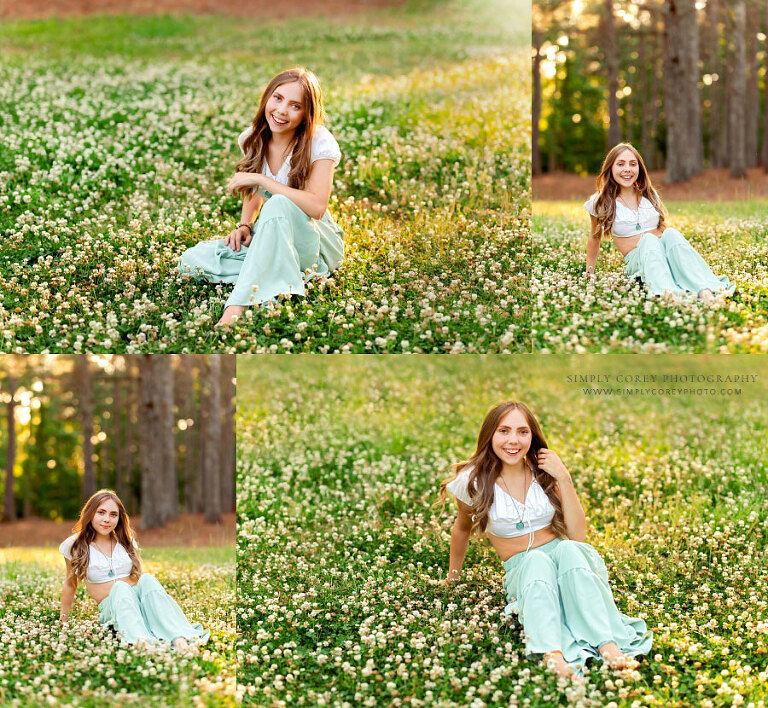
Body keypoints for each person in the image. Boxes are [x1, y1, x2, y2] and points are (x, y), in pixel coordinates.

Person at [440, 402, 652, 680]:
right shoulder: (473, 481)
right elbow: (462, 529)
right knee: (536, 560)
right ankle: (552, 653)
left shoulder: (543, 471)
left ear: (532, 436)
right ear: (490, 435)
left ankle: (607, 643)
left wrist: (564, 478)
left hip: (565, 560)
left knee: (568, 548)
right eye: (504, 431)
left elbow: (578, 537)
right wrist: (452, 577)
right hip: (523, 568)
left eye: (522, 431)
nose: (513, 440)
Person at [179, 66, 344, 327]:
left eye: (295, 106)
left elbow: (317, 207)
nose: (280, 111)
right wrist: (245, 225)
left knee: (278, 203)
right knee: (192, 261)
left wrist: (261, 180)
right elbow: (254, 196)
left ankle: (236, 307)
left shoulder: (319, 142)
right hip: (274, 233)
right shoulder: (253, 137)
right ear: (267, 97)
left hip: (314, 241)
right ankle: (278, 274)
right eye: (277, 98)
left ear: (306, 114)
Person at [59, 489, 209, 652]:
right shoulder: (75, 545)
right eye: (101, 512)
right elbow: (70, 584)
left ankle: (179, 639)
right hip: (115, 608)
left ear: (119, 518)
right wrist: (63, 622)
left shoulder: (126, 542)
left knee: (148, 579)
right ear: (90, 513)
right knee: (121, 587)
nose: (107, 519)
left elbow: (139, 580)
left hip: (139, 604)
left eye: (113, 514)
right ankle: (144, 644)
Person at [584, 143, 733, 300]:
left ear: (639, 169)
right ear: (610, 168)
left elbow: (662, 231)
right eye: (620, 164)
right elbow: (594, 238)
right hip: (639, 260)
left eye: (633, 164)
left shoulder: (649, 195)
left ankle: (704, 290)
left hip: (662, 253)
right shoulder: (600, 201)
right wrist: (589, 274)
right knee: (648, 239)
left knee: (671, 233)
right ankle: (670, 295)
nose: (627, 169)